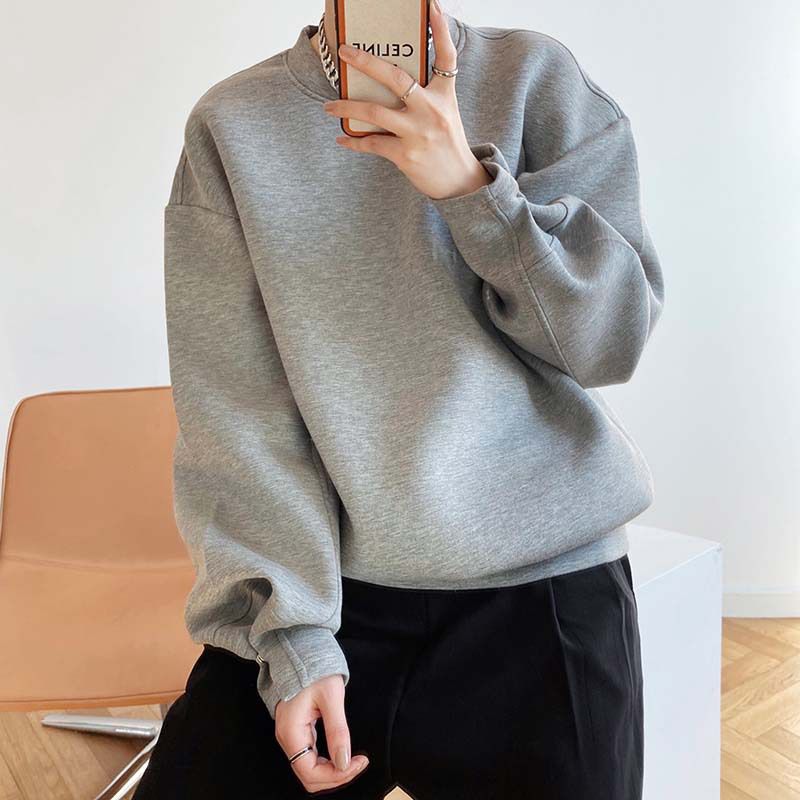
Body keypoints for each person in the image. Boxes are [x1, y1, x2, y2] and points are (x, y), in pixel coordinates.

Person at [133, 0, 664, 797]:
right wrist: (293, 639)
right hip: (326, 597)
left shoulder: (536, 81)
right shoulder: (233, 126)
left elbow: (608, 346)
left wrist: (471, 190)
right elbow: (238, 413)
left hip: (542, 595)